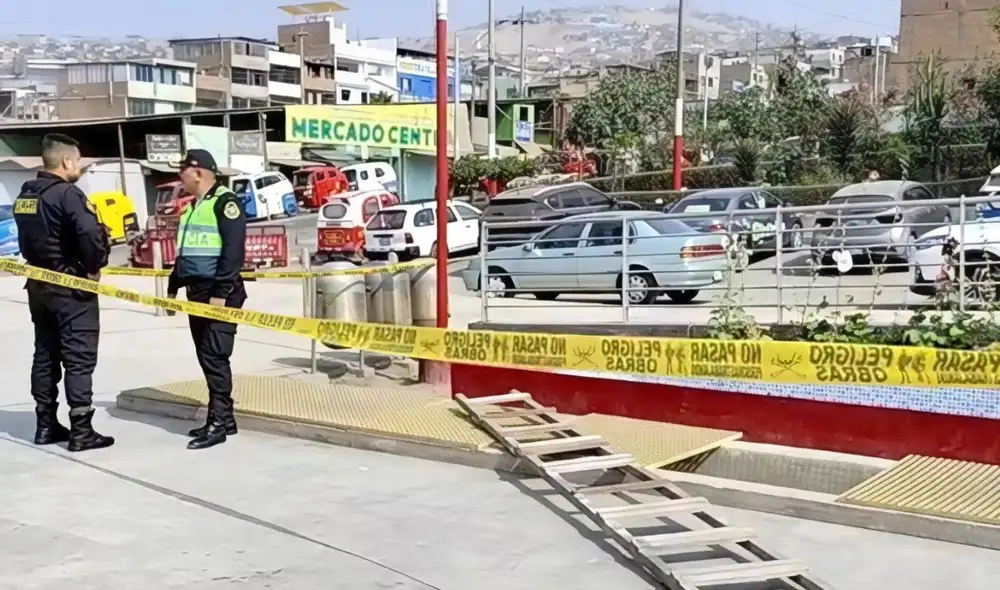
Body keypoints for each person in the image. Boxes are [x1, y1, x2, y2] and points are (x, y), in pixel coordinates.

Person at [13, 133, 113, 452]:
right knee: (78, 358)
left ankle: (45, 424)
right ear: (67, 160)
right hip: (71, 287)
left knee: (45, 354)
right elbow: (89, 233)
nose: (80, 166)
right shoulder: (68, 193)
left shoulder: (27, 193)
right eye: (79, 160)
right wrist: (94, 267)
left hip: (38, 286)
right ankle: (81, 429)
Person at [167, 149, 247, 450]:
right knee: (205, 356)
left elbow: (233, 251)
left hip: (219, 294)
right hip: (195, 292)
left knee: (215, 357)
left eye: (183, 171)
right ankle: (223, 418)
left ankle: (219, 423)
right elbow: (184, 252)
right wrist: (173, 289)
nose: (180, 176)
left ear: (198, 173)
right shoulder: (193, 207)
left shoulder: (226, 203)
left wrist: (221, 293)